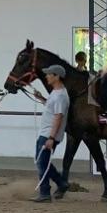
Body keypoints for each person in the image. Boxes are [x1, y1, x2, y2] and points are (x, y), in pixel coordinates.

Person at [29, 64, 70, 203]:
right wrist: (42, 99)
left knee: (41, 162)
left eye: (49, 74)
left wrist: (51, 137)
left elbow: (58, 117)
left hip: (48, 134)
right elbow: (53, 109)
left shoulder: (60, 96)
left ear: (57, 76)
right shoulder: (56, 93)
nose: (46, 76)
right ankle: (61, 182)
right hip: (46, 133)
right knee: (42, 161)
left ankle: (45, 192)